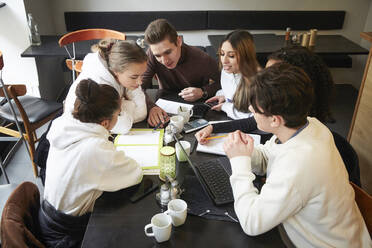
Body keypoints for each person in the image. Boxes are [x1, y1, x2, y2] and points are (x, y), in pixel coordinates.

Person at [223, 63, 371, 247]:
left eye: (254, 109)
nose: (251, 111)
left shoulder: (300, 163)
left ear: (275, 120)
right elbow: (271, 156)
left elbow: (251, 222)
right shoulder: (310, 125)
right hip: (327, 230)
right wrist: (246, 151)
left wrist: (239, 162)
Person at [39, 79, 143, 247]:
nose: (120, 117)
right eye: (118, 115)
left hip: (48, 220)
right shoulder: (95, 148)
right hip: (67, 236)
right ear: (104, 123)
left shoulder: (64, 125)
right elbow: (135, 174)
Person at [195, 46, 334, 144]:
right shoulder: (292, 123)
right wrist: (213, 128)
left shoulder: (298, 149)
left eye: (272, 75)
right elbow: (254, 120)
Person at [142, 19, 221, 127]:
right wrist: (151, 107)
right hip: (164, 103)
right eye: (158, 56)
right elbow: (139, 87)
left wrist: (203, 92)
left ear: (179, 41)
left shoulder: (201, 58)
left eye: (168, 52)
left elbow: (225, 82)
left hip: (195, 107)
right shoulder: (151, 54)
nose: (164, 61)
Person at [63, 39, 148, 134]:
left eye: (142, 75)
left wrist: (123, 106)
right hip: (76, 133)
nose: (140, 82)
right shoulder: (101, 86)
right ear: (116, 71)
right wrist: (130, 104)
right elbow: (123, 126)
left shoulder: (121, 72)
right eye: (134, 77)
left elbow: (142, 112)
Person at [205, 30, 260, 119]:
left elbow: (254, 118)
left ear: (245, 56)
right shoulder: (227, 71)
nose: (224, 61)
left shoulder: (258, 82)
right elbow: (231, 88)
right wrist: (224, 95)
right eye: (222, 54)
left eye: (231, 56)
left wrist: (225, 107)